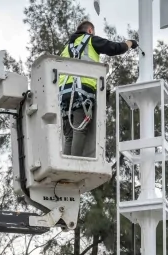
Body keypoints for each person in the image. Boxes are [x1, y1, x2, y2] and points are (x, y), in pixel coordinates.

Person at [59, 20, 138, 157]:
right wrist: (130, 43)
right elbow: (115, 48)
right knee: (79, 129)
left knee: (69, 136)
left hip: (64, 95)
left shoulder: (66, 48)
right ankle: (73, 165)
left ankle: (64, 166)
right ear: (90, 30)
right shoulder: (90, 40)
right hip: (80, 93)